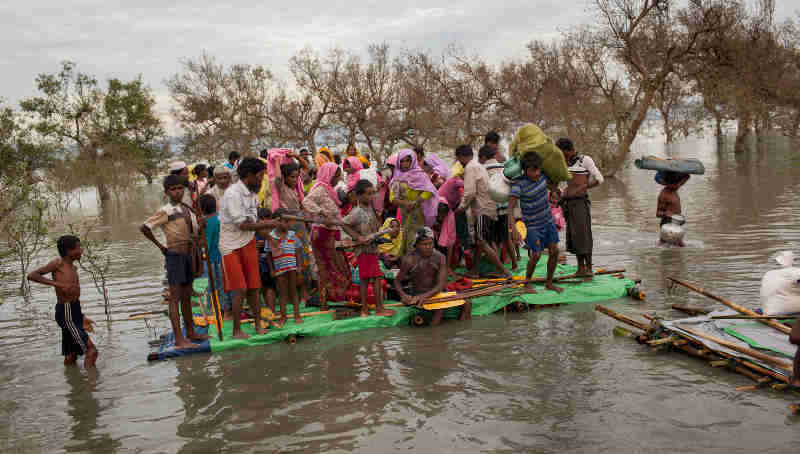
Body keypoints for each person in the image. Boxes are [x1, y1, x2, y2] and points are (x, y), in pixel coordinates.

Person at [141, 174, 209, 348]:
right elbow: (145, 227)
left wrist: (201, 225)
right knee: (175, 298)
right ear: (167, 192)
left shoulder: (187, 208)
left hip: (189, 256)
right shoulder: (166, 210)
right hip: (175, 256)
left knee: (187, 296)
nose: (177, 192)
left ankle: (191, 332)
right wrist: (161, 247)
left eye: (180, 188)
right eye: (173, 189)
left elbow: (195, 232)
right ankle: (179, 339)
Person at [219, 157, 277, 339]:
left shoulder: (252, 193)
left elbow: (253, 222)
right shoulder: (232, 194)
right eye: (260, 176)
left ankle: (258, 326)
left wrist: (270, 237)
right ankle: (237, 330)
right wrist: (270, 223)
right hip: (231, 246)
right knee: (241, 289)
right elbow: (243, 224)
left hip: (248, 242)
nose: (262, 179)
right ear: (249, 175)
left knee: (254, 287)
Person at [27, 235, 98, 368]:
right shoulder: (58, 264)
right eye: (78, 248)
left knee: (71, 355)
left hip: (73, 311)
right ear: (68, 251)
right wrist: (58, 284)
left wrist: (81, 316)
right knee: (92, 351)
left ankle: (73, 384)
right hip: (66, 313)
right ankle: (91, 387)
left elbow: (73, 298)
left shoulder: (73, 267)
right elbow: (32, 276)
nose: (81, 250)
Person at [508, 153, 563, 294]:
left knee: (555, 251)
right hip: (532, 225)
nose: (536, 173)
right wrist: (513, 228)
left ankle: (549, 283)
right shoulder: (519, 185)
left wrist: (556, 189)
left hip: (548, 221)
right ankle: (527, 283)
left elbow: (554, 186)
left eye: (538, 169)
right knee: (536, 255)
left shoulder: (543, 177)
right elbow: (510, 208)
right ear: (525, 170)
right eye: (533, 170)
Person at [341, 180, 396, 317]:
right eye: (368, 194)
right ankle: (377, 309)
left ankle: (367, 309)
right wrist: (356, 236)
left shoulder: (370, 209)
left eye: (373, 193)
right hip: (364, 251)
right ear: (359, 196)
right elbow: (343, 224)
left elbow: (375, 227)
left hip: (371, 248)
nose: (371, 197)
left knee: (368, 279)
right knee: (375, 278)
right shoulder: (357, 212)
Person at [394, 227, 470, 325]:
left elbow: (441, 284)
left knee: (467, 303)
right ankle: (433, 334)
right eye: (424, 244)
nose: (428, 247)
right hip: (418, 293)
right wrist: (403, 295)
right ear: (416, 245)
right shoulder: (409, 260)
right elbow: (397, 281)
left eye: (430, 243)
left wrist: (425, 296)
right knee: (439, 311)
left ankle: (461, 330)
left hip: (437, 292)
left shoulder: (440, 257)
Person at [455, 145, 511, 279]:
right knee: (484, 241)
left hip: (482, 209)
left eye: (458, 158)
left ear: (462, 157)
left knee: (481, 242)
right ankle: (475, 270)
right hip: (490, 208)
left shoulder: (470, 167)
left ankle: (504, 271)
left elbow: (469, 193)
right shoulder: (478, 166)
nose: (459, 162)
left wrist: (460, 208)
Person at [302, 162, 353, 309]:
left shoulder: (330, 190)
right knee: (325, 268)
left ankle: (332, 298)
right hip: (322, 233)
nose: (338, 178)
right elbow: (306, 201)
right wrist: (320, 211)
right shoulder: (320, 188)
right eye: (336, 175)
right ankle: (324, 303)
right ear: (328, 175)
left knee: (337, 266)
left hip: (331, 231)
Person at [555, 138, 604, 277]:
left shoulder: (585, 160)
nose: (560, 156)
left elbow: (599, 179)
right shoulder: (564, 163)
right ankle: (580, 268)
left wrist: (585, 186)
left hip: (580, 203)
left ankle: (588, 268)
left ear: (568, 150)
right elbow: (563, 183)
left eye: (561, 153)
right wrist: (560, 194)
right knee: (574, 236)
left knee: (584, 235)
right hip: (568, 203)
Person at [273, 161, 312, 300]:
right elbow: (277, 178)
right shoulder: (281, 187)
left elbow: (308, 168)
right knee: (290, 258)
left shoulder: (298, 189)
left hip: (299, 224)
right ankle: (291, 292)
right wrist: (276, 159)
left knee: (303, 256)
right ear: (285, 177)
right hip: (288, 224)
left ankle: (304, 290)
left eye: (297, 177)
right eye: (292, 177)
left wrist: (295, 157)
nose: (295, 180)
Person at [390, 149, 438, 254]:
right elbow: (392, 198)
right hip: (405, 213)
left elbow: (429, 191)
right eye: (402, 161)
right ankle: (407, 263)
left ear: (413, 161)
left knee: (417, 237)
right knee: (405, 236)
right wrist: (405, 204)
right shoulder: (397, 178)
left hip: (418, 212)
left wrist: (416, 202)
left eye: (407, 160)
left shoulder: (421, 175)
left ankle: (418, 264)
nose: (405, 164)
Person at [480, 144, 518, 271]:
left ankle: (499, 269)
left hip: (492, 208)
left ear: (483, 157)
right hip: (505, 207)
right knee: (506, 238)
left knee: (492, 240)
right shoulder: (503, 167)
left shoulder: (482, 169)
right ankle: (514, 263)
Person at [265, 209, 305, 326]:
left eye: (289, 222)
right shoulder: (271, 236)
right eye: (285, 221)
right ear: (277, 221)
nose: (288, 224)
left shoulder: (292, 234)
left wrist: (298, 266)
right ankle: (283, 317)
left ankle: (297, 315)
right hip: (280, 269)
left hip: (292, 267)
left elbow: (298, 250)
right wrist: (272, 269)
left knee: (293, 291)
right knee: (282, 293)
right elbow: (268, 254)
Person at [198, 194, 234, 318]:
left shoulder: (206, 223)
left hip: (211, 259)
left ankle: (215, 311)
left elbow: (206, 244)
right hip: (224, 256)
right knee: (225, 285)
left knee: (211, 286)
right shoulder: (221, 219)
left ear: (201, 208)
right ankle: (227, 310)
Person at [255, 208, 278, 324]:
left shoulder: (268, 231)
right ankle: (271, 311)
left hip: (267, 262)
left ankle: (271, 311)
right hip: (262, 262)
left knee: (268, 287)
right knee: (267, 287)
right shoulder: (264, 231)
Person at [657, 171, 690, 247]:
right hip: (667, 224)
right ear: (668, 183)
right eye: (676, 184)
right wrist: (666, 214)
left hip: (676, 224)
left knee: (678, 246)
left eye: (679, 183)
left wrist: (681, 169)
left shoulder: (674, 188)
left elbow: (687, 177)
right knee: (665, 246)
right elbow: (658, 213)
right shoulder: (663, 195)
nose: (679, 185)